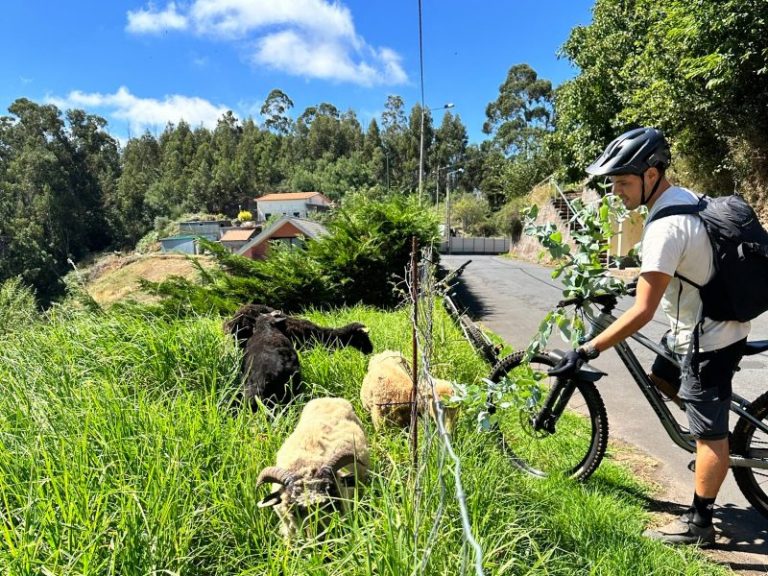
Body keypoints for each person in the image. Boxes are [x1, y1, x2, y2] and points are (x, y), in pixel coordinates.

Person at [549, 127, 749, 546]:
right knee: (660, 377)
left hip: (708, 338)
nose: (616, 191)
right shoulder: (684, 200)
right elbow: (664, 277)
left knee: (710, 434)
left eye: (623, 181)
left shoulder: (664, 229)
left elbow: (643, 311)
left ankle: (699, 523)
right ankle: (703, 426)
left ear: (653, 174)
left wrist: (587, 350)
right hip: (692, 326)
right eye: (613, 183)